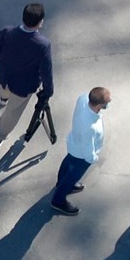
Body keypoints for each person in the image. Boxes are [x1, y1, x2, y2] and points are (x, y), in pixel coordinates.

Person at [0, 3, 54, 149]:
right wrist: (48, 91)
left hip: (5, 77)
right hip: (24, 86)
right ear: (40, 22)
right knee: (12, 113)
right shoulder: (43, 45)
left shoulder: (7, 31)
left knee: (3, 90)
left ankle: (3, 98)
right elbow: (46, 70)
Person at [51, 87, 111, 216]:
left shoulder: (83, 99)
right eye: (107, 101)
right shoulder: (90, 127)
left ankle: (60, 183)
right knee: (73, 174)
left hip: (74, 143)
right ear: (100, 105)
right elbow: (87, 150)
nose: (110, 101)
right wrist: (93, 158)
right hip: (82, 155)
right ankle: (58, 200)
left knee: (67, 163)